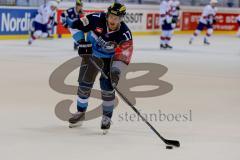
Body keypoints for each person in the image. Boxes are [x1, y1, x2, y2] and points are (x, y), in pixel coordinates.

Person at [63, 3, 133, 134]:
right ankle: (80, 113)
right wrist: (82, 42)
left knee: (108, 87)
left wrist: (116, 72)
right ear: (107, 15)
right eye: (111, 17)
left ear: (122, 18)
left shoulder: (125, 34)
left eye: (117, 18)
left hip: (111, 59)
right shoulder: (95, 18)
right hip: (92, 54)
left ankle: (107, 117)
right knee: (84, 83)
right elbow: (73, 26)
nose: (113, 20)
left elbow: (124, 55)